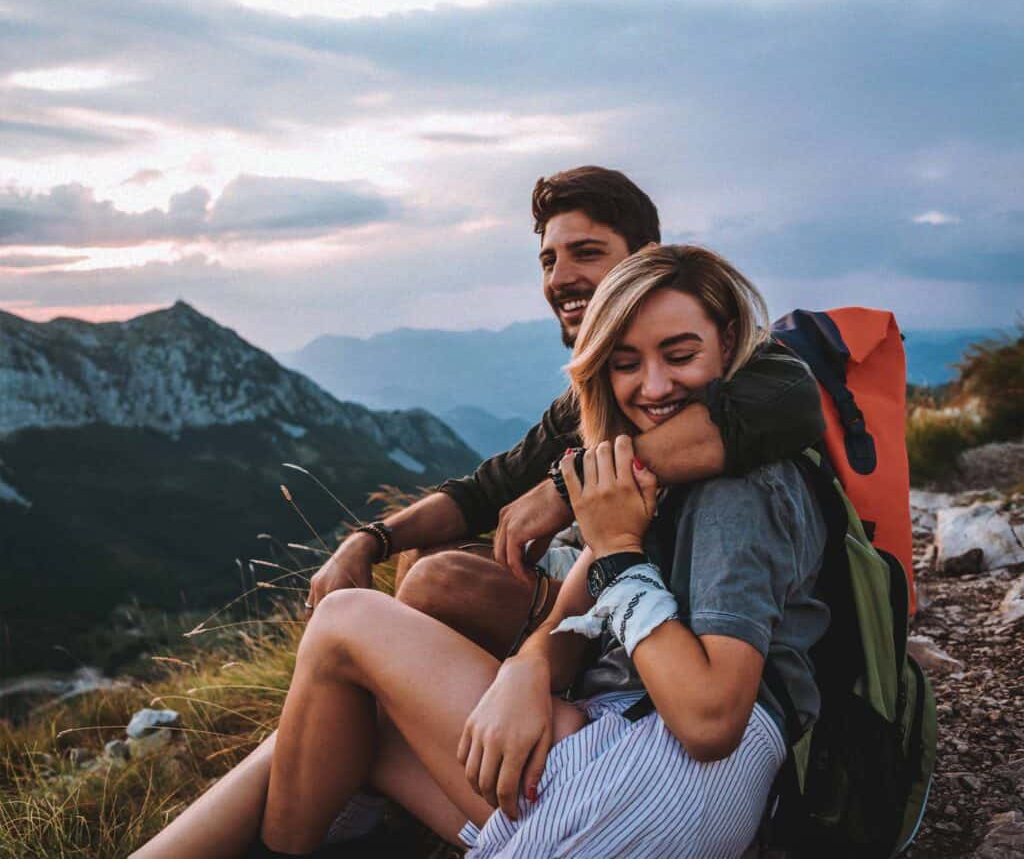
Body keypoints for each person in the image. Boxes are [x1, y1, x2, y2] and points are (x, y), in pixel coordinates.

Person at [132, 245, 828, 859]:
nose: (652, 386)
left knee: (345, 618)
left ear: (729, 339)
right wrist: (525, 670)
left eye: (679, 355)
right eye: (625, 364)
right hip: (621, 751)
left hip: (658, 791)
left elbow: (710, 720)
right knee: (351, 725)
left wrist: (613, 546)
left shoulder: (740, 489)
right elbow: (529, 541)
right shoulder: (643, 477)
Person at [309, 167, 825, 660]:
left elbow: (790, 404)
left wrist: (566, 488)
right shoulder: (593, 395)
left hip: (672, 606)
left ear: (645, 262)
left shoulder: (751, 366)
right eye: (549, 261)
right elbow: (487, 489)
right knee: (422, 553)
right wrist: (370, 539)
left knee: (438, 580)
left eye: (585, 253)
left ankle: (446, 703)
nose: (561, 278)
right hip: (601, 574)